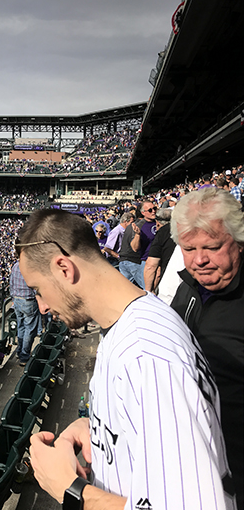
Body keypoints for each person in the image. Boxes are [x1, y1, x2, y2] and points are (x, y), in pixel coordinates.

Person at [16, 208, 234, 509]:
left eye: (38, 290)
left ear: (64, 268)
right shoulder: (127, 327)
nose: (41, 306)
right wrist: (101, 429)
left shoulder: (147, 355)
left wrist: (71, 489)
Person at [168, 188, 244, 497]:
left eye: (212, 247)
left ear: (239, 242)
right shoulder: (188, 286)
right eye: (188, 248)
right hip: (190, 465)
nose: (199, 260)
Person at [9, 261, 40, 365]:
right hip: (28, 301)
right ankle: (24, 356)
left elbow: (11, 283)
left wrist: (13, 297)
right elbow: (36, 285)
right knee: (29, 329)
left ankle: (19, 351)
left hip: (17, 300)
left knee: (21, 326)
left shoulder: (15, 265)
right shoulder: (32, 266)